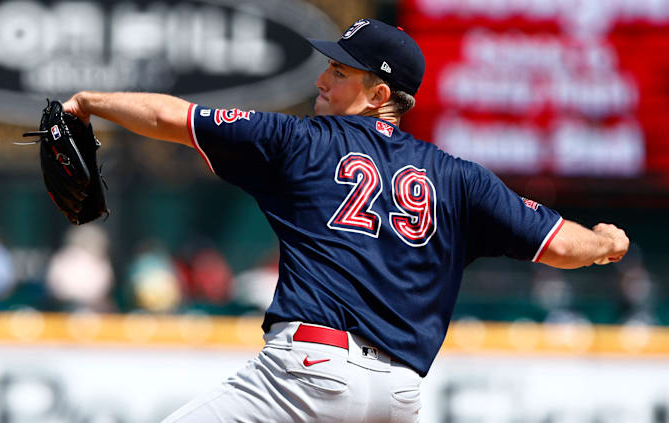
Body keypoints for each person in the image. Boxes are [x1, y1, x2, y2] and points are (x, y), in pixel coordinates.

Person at [62, 18, 629, 423]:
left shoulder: (298, 141)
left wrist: (89, 102)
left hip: (309, 374)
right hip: (398, 398)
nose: (321, 82)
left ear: (379, 93)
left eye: (338, 72)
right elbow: (560, 244)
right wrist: (605, 241)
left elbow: (170, 116)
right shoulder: (460, 178)